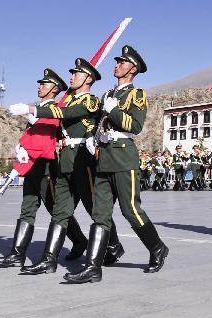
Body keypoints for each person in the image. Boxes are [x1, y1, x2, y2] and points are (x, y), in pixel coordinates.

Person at [65, 45, 168, 284]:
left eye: (122, 62)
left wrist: (115, 112)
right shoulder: (106, 95)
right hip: (104, 158)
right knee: (100, 215)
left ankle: (157, 247)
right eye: (117, 61)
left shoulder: (137, 94)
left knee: (130, 210)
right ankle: (93, 267)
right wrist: (93, 138)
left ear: (132, 68)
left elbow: (135, 126)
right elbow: (99, 123)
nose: (117, 65)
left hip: (123, 157)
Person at [14, 60, 128, 275]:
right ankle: (49, 260)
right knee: (60, 212)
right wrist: (25, 143)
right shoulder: (67, 104)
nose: (72, 76)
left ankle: (113, 245)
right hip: (65, 161)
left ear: (88, 79)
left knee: (94, 208)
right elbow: (56, 130)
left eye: (77, 74)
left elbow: (65, 115)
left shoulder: (91, 101)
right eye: (73, 73)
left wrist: (31, 109)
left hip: (83, 162)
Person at [0, 68, 87, 269]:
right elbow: (31, 135)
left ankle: (79, 240)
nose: (39, 86)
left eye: (44, 84)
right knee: (27, 209)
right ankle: (16, 254)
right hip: (31, 167)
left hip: (47, 167)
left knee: (57, 210)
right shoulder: (38, 109)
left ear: (54, 89)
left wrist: (32, 117)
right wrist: (20, 147)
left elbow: (48, 136)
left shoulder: (54, 109)